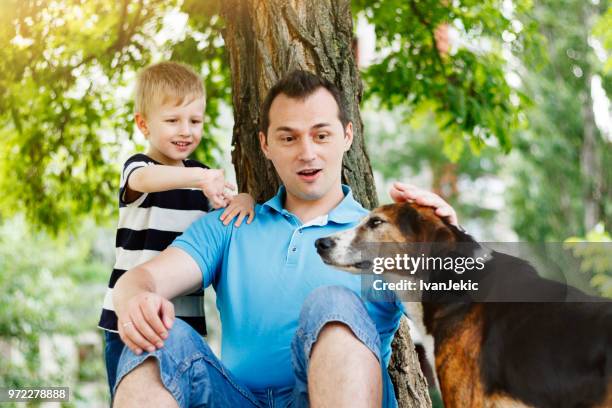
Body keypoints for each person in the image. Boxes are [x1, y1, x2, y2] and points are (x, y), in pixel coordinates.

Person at [111, 70, 458, 407]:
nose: (306, 152)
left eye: (321, 135)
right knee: (159, 340)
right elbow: (143, 279)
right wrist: (136, 301)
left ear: (347, 136)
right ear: (265, 144)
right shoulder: (232, 223)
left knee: (332, 303)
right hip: (237, 399)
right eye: (288, 138)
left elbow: (460, 319)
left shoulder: (388, 238)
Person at [97, 61, 255, 395]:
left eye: (194, 121)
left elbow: (228, 208)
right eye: (172, 121)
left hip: (184, 323)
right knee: (135, 392)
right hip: (127, 320)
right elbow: (144, 180)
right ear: (144, 124)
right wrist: (201, 178)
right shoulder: (140, 168)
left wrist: (244, 200)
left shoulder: (203, 176)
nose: (186, 131)